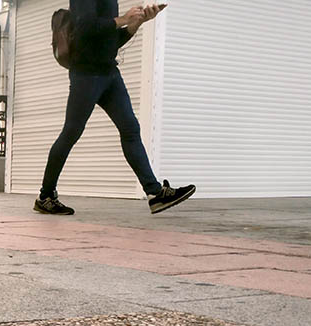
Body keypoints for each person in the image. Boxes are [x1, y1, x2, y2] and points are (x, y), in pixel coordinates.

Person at [35, 1, 195, 215]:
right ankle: (45, 196)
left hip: (109, 73)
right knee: (71, 133)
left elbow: (110, 41)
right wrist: (122, 20)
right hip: (86, 75)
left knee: (130, 129)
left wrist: (136, 24)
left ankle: (155, 193)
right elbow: (84, 29)